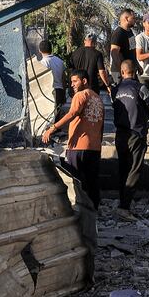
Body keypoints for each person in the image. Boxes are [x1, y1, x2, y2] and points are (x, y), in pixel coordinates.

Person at [44, 69, 105, 209]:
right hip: (94, 147)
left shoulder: (80, 95)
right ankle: (93, 210)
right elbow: (101, 125)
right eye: (71, 82)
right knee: (92, 182)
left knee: (75, 181)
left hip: (78, 146)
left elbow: (72, 113)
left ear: (84, 81)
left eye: (74, 81)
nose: (72, 84)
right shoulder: (98, 98)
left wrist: (53, 128)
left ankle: (78, 209)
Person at [111, 59, 149, 221]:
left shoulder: (115, 90)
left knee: (123, 169)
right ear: (135, 72)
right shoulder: (140, 87)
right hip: (136, 133)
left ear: (122, 72)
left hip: (120, 134)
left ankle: (123, 202)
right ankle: (124, 207)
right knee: (135, 169)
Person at [109, 9, 137, 84]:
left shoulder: (130, 32)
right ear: (126, 18)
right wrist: (122, 71)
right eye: (133, 18)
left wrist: (137, 65)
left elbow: (133, 50)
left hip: (131, 71)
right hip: (119, 73)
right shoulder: (118, 33)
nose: (135, 20)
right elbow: (114, 53)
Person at [38, 40, 67, 108]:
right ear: (51, 49)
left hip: (50, 93)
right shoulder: (60, 61)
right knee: (59, 113)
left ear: (39, 51)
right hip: (60, 91)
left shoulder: (42, 64)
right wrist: (64, 93)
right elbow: (64, 78)